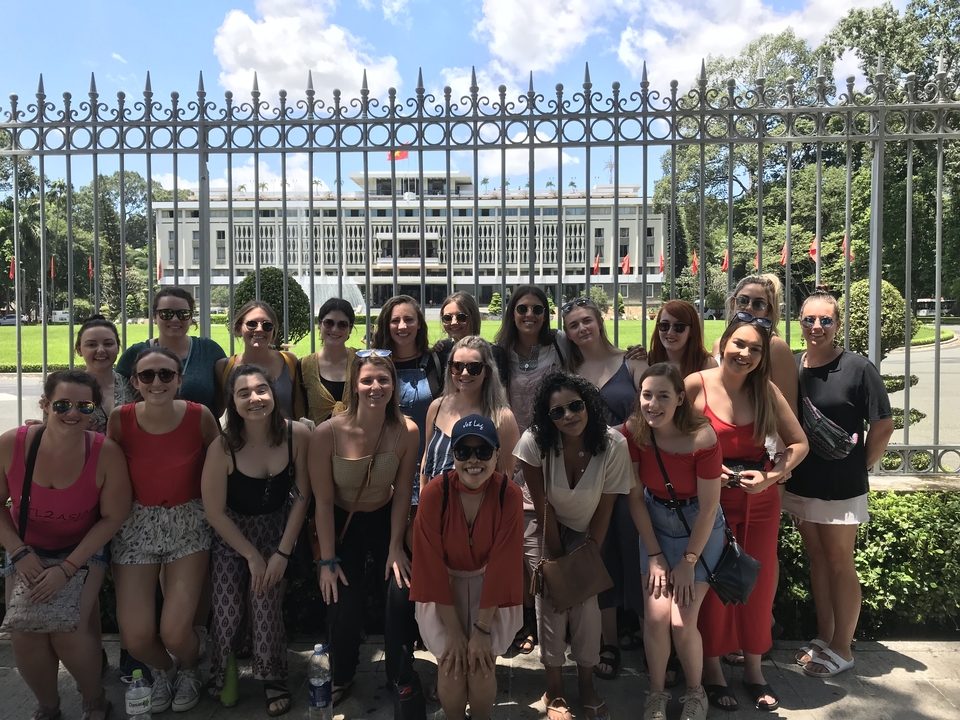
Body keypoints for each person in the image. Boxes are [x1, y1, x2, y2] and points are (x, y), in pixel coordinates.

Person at [685, 319, 808, 712]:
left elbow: (799, 443)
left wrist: (770, 477)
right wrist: (702, 471)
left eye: (755, 349)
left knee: (756, 582)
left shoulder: (766, 390)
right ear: (722, 343)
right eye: (739, 344)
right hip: (710, 505)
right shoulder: (695, 384)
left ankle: (754, 669)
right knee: (713, 586)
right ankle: (714, 671)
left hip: (759, 501)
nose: (745, 354)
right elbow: (665, 439)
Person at [0, 370, 132, 720]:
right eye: (62, 404)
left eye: (83, 406)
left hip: (82, 549)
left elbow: (112, 517)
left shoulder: (106, 453)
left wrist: (68, 568)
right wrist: (18, 553)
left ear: (95, 409)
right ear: (44, 405)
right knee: (25, 631)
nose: (73, 413)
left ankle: (94, 698)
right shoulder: (13, 444)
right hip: (26, 547)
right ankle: (48, 706)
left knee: (68, 629)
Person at [783, 288, 893, 678]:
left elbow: (883, 424)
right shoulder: (794, 367)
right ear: (800, 323)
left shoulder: (858, 367)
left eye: (825, 320)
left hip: (841, 487)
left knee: (839, 562)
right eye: (809, 319)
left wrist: (859, 465)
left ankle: (843, 648)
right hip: (802, 484)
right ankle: (825, 636)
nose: (817, 326)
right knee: (817, 561)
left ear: (837, 324)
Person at [514, 372, 634, 720]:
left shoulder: (613, 444)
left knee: (587, 605)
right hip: (542, 523)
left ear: (589, 406)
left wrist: (587, 558)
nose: (568, 415)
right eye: (557, 412)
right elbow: (542, 505)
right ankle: (554, 689)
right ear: (546, 418)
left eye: (575, 406)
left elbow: (606, 506)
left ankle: (586, 684)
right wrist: (558, 561)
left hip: (588, 526)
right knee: (551, 601)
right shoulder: (534, 442)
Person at [108, 346, 221, 713]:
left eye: (166, 375)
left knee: (175, 631)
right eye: (147, 376)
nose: (157, 382)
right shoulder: (119, 420)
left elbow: (221, 461)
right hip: (136, 525)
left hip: (188, 522)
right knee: (136, 637)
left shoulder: (200, 417)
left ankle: (190, 668)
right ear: (134, 382)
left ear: (180, 380)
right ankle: (165, 669)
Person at [308, 351, 421, 709]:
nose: (376, 387)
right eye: (367, 380)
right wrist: (327, 561)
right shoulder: (328, 432)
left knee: (399, 594)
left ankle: (399, 674)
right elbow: (322, 503)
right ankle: (342, 674)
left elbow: (403, 491)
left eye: (383, 380)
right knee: (342, 600)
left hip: (386, 517)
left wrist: (395, 547)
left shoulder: (406, 430)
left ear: (394, 385)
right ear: (354, 386)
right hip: (343, 522)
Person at [202, 365, 312, 717]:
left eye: (261, 390)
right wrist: (250, 555)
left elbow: (302, 497)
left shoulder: (296, 435)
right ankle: (225, 667)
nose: (255, 399)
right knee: (228, 610)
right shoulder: (222, 447)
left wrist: (282, 552)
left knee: (264, 601)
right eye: (244, 393)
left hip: (276, 532)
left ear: (273, 393)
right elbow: (214, 512)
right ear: (232, 402)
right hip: (232, 537)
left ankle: (272, 676)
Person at [622, 363, 725, 720]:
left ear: (680, 399)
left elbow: (710, 508)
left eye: (663, 396)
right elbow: (635, 496)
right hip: (655, 524)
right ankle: (656, 694)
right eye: (647, 395)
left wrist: (688, 562)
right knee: (654, 618)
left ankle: (696, 693)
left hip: (699, 526)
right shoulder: (635, 431)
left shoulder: (703, 438)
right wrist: (654, 555)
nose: (653, 404)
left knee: (682, 622)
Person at [411, 414, 524, 720]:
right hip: (444, 588)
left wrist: (482, 631)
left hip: (491, 587)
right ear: (453, 455)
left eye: (483, 451)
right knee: (450, 665)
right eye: (464, 452)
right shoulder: (435, 493)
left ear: (497, 454)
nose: (474, 460)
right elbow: (430, 564)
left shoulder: (508, 495)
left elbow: (503, 562)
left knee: (481, 667)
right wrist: (454, 632)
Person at [561, 297, 647, 679]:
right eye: (573, 325)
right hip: (588, 476)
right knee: (601, 551)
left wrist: (613, 434)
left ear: (600, 322)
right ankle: (608, 640)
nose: (581, 329)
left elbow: (650, 412)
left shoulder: (633, 362)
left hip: (629, 472)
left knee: (636, 550)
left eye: (586, 321)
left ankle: (648, 635)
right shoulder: (569, 370)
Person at [494, 284, 566, 654]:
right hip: (507, 454)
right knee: (512, 543)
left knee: (541, 541)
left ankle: (544, 622)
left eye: (537, 309)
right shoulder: (498, 353)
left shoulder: (559, 347)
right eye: (522, 308)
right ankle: (521, 619)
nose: (530, 316)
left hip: (550, 453)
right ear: (512, 312)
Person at [421, 336, 520, 489]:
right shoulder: (437, 407)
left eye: (474, 367)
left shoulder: (502, 417)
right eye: (457, 367)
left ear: (487, 370)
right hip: (436, 506)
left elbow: (504, 479)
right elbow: (427, 459)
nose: (465, 373)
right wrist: (424, 497)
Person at [373, 294, 443, 505]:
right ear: (387, 325)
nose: (402, 326)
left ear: (419, 324)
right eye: (395, 320)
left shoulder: (436, 361)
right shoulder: (376, 363)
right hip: (385, 468)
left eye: (409, 320)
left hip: (429, 467)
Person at [116, 287, 227, 417]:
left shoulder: (209, 350)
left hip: (203, 433)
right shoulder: (136, 353)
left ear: (191, 318)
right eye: (166, 314)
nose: (175, 319)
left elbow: (223, 400)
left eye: (183, 314)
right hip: (150, 433)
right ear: (154, 317)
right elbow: (114, 392)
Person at [712, 274, 799, 414]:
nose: (749, 307)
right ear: (733, 304)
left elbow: (789, 410)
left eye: (758, 304)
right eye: (743, 300)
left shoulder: (775, 347)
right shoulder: (719, 343)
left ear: (768, 310)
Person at [216, 301, 299, 420]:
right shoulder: (223, 368)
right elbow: (215, 414)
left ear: (273, 331)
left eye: (267, 325)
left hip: (287, 437)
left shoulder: (289, 361)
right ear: (239, 329)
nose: (259, 329)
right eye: (251, 324)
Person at [295, 298, 358, 425]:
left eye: (342, 324)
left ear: (350, 329)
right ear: (319, 324)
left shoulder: (360, 360)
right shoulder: (304, 365)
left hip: (358, 441)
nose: (335, 329)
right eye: (329, 323)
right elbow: (299, 411)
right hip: (316, 442)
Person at [434, 291, 508, 385]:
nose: (453, 322)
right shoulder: (442, 350)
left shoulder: (494, 353)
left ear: (473, 317)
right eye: (447, 318)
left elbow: (501, 394)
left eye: (461, 317)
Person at [75, 315, 132, 433]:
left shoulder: (133, 386)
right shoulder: (67, 389)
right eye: (91, 345)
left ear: (118, 347)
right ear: (79, 350)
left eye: (108, 344)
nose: (101, 350)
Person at [647, 301, 717, 378]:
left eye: (679, 327)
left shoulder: (708, 365)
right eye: (664, 325)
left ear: (692, 331)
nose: (670, 332)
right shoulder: (647, 360)